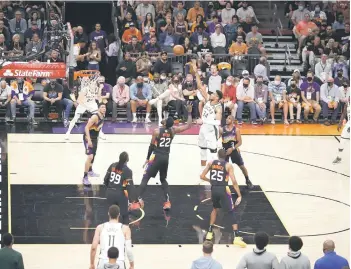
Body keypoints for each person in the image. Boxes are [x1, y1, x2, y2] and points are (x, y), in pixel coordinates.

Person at [138, 105, 193, 210]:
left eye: (165, 118)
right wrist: (189, 113)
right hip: (165, 158)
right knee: (163, 179)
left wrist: (147, 158)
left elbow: (151, 146)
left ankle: (137, 200)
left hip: (156, 156)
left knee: (146, 177)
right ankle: (167, 202)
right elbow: (188, 125)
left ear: (164, 123)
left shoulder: (157, 131)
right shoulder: (173, 131)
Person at [200, 149, 246, 247]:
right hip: (223, 189)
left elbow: (202, 176)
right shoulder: (228, 165)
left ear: (217, 155)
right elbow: (234, 181)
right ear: (225, 156)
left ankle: (209, 232)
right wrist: (239, 195)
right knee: (231, 211)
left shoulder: (211, 163)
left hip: (214, 189)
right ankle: (237, 237)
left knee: (215, 209)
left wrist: (211, 181)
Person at [193, 63, 223, 171]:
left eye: (214, 94)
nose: (211, 94)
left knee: (213, 152)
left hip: (211, 130)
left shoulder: (218, 107)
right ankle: (202, 170)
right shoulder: (207, 99)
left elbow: (218, 122)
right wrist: (196, 72)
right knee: (202, 150)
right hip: (203, 128)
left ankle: (216, 171)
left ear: (217, 97)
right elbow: (200, 86)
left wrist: (203, 120)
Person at [103, 151, 142, 225]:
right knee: (124, 216)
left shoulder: (112, 166)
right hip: (120, 194)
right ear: (128, 160)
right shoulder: (128, 171)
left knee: (111, 215)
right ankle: (126, 234)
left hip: (109, 193)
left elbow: (105, 180)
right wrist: (135, 200)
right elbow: (130, 187)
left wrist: (110, 188)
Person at [220, 115, 253, 189]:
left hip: (234, 150)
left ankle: (247, 180)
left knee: (242, 166)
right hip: (225, 151)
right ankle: (224, 184)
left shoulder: (236, 130)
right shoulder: (222, 129)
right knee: (224, 168)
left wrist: (232, 148)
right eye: (227, 118)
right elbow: (216, 137)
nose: (227, 119)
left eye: (229, 118)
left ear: (232, 121)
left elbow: (240, 142)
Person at [65, 75, 102, 140]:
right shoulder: (85, 89)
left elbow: (99, 99)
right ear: (90, 83)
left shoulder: (97, 89)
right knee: (75, 118)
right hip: (83, 104)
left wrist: (100, 90)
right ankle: (68, 132)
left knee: (98, 118)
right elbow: (79, 100)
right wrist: (86, 107)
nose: (94, 83)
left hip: (92, 104)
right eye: (92, 82)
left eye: (95, 82)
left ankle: (100, 133)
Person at [83, 103, 106, 186]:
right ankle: (85, 177)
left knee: (94, 154)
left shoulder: (103, 116)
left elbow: (97, 128)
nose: (104, 108)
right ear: (98, 108)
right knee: (90, 156)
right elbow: (86, 127)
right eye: (102, 107)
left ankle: (90, 170)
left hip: (95, 138)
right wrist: (88, 139)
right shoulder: (95, 117)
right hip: (88, 137)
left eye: (105, 107)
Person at [333, 98, 349, 164]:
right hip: (348, 125)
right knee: (342, 140)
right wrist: (340, 123)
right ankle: (339, 157)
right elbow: (344, 113)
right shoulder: (347, 104)